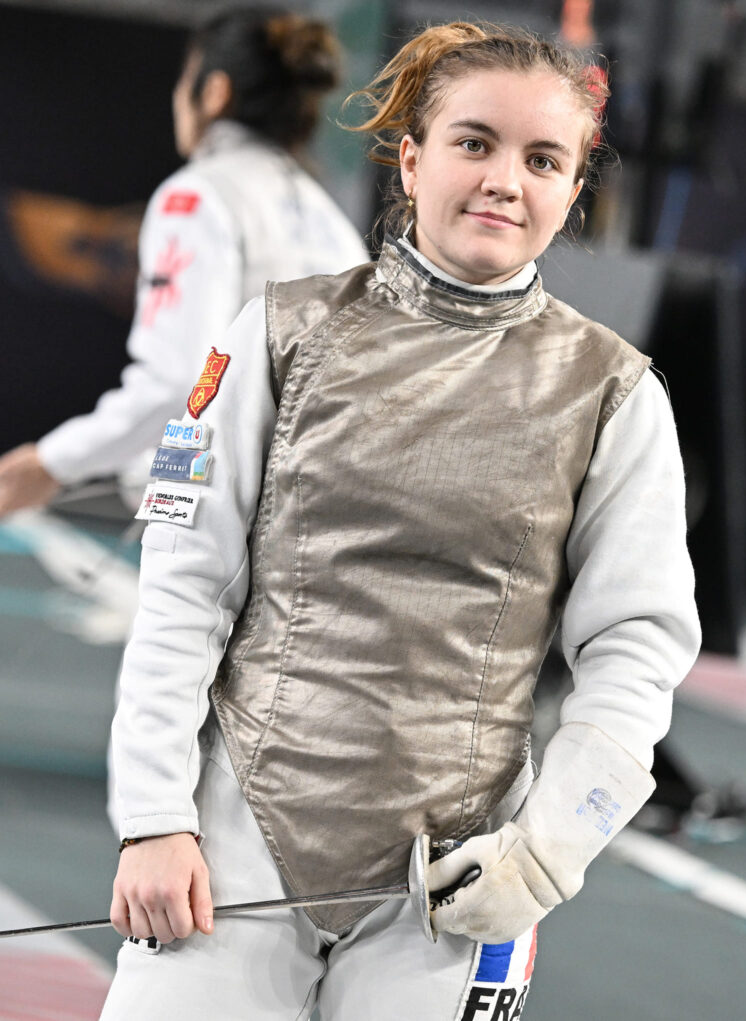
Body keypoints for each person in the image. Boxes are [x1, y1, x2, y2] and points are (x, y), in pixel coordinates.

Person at [100, 21, 701, 1020]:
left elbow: (638, 647)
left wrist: (546, 851)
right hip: (236, 834)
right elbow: (183, 581)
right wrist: (154, 816)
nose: (504, 180)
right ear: (412, 160)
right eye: (475, 143)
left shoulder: (613, 391)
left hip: (456, 875)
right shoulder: (280, 331)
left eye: (541, 160)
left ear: (571, 190)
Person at [0, 7, 367, 518]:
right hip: (320, 508)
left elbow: (178, 382)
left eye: (184, 79)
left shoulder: (195, 197)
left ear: (214, 92)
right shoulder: (330, 219)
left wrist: (50, 463)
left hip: (226, 515)